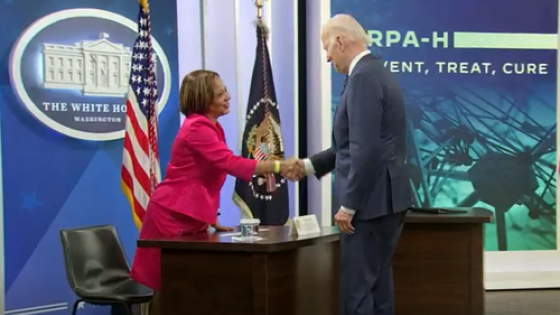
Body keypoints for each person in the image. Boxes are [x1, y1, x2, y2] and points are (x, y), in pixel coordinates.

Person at [130, 69, 296, 314]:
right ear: (203, 99)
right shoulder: (197, 128)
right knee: (169, 288)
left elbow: (206, 177)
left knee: (187, 289)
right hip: (171, 218)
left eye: (225, 90)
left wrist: (211, 217)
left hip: (188, 217)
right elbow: (230, 164)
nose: (228, 96)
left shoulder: (211, 127)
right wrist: (279, 165)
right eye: (220, 93)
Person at [286, 14, 412, 315]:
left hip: (369, 205)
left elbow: (365, 149)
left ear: (340, 41)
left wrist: (350, 204)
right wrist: (306, 166)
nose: (327, 58)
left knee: (357, 291)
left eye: (327, 48)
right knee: (378, 286)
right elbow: (351, 146)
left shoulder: (363, 78)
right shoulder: (376, 71)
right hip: (385, 201)